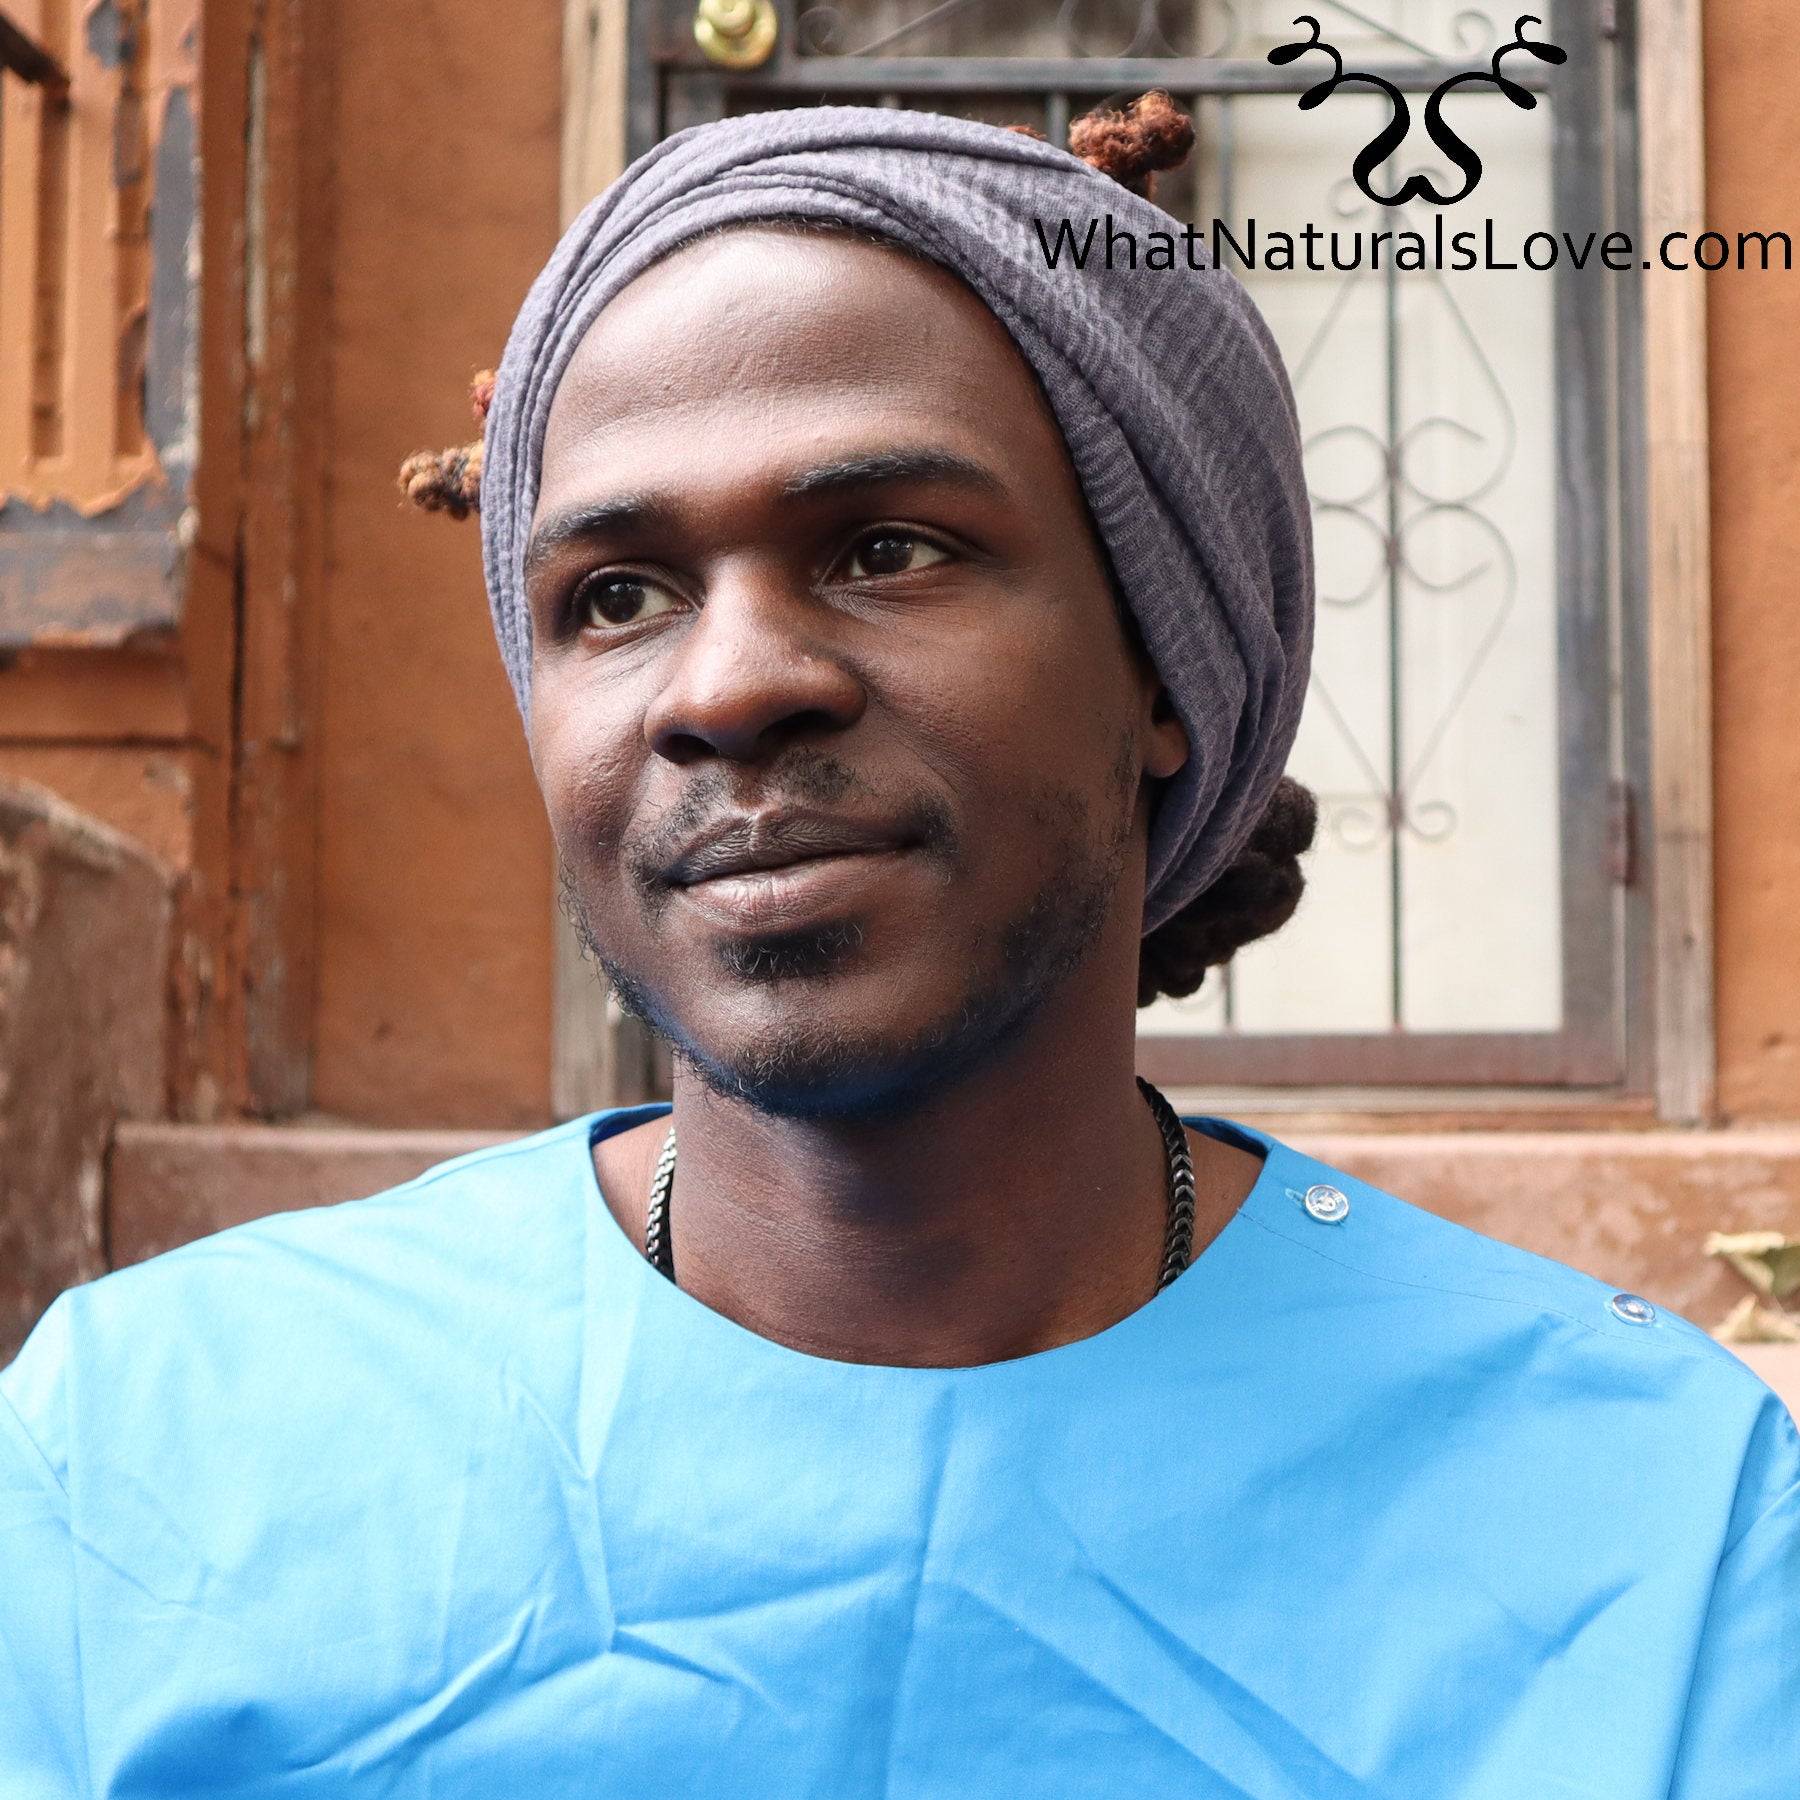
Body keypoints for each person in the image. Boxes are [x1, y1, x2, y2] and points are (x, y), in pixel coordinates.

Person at [2, 95, 1795, 1798]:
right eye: (613, 598)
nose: (727, 687)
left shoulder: (1651, 1520)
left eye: (888, 547)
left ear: (1170, 664)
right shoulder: (143, 1458)